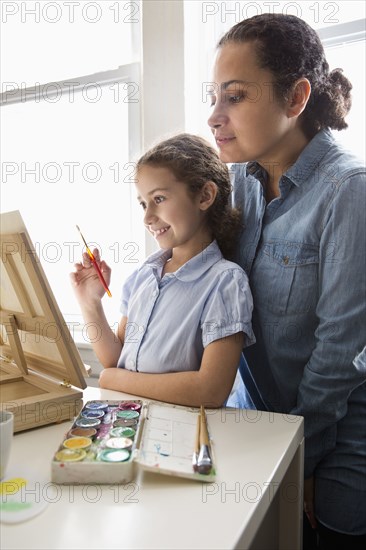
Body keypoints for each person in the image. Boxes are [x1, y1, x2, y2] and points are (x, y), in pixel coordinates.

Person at [207, 12, 366, 549]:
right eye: (213, 97)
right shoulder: (241, 181)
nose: (215, 115)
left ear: (296, 97)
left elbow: (341, 352)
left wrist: (302, 459)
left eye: (235, 96)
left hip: (338, 436)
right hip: (266, 423)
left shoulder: (349, 191)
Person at [70, 133, 255, 408]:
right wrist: (90, 302)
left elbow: (211, 390)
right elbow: (116, 360)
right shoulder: (144, 276)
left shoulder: (225, 282)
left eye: (159, 199)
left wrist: (112, 380)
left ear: (205, 196)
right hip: (133, 423)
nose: (147, 217)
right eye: (144, 203)